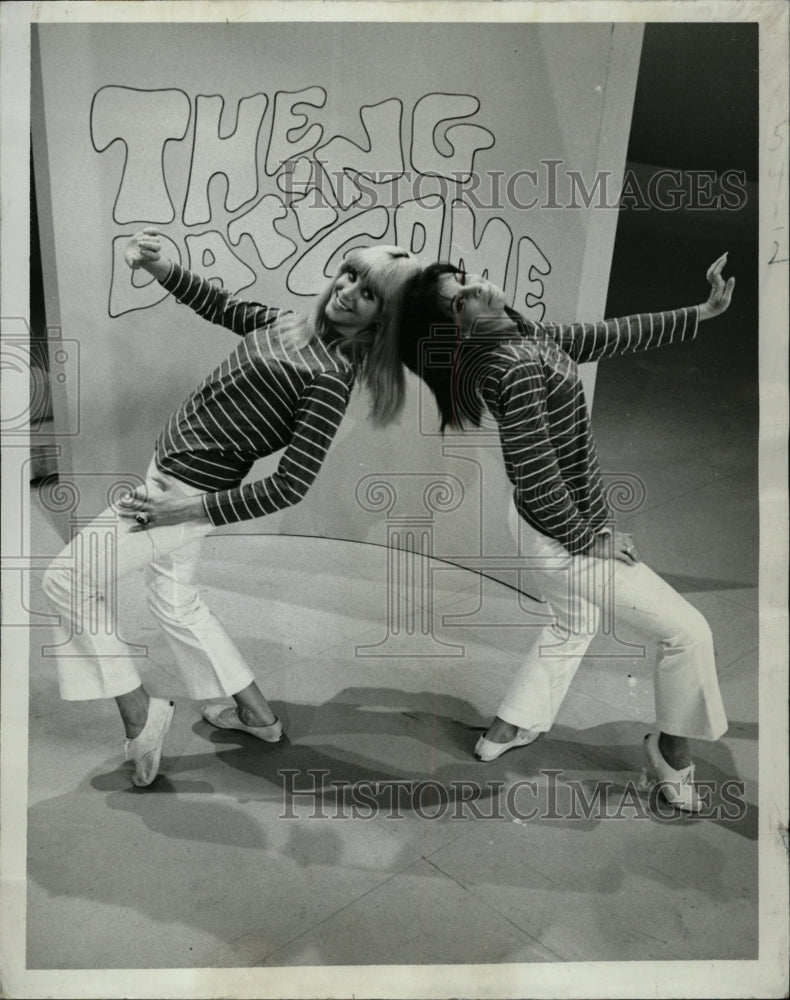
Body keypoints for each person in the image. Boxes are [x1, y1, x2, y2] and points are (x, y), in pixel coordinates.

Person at [42, 229, 419, 787]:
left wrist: (191, 509)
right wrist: (164, 267)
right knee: (176, 602)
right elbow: (221, 305)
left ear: (383, 320)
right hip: (169, 478)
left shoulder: (331, 378)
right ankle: (258, 717)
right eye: (351, 274)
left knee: (63, 582)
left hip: (178, 499)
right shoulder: (291, 323)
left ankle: (140, 714)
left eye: (369, 295)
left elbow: (291, 485)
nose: (349, 291)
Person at [398, 254, 735, 812]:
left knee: (573, 622)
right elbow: (534, 475)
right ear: (457, 326)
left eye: (466, 277)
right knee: (688, 633)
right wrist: (588, 539)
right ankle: (669, 750)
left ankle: (506, 729)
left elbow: (606, 335)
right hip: (561, 533)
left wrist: (701, 311)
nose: (478, 285)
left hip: (543, 525)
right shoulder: (511, 366)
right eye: (460, 298)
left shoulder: (524, 335)